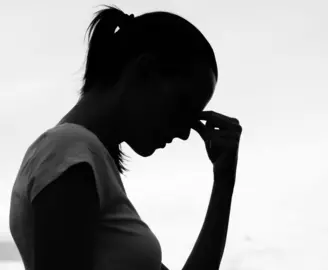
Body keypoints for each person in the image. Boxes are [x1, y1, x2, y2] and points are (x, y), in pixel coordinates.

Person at [9, 5, 242, 270]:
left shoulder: (83, 158)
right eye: (183, 106)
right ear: (144, 72)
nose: (185, 132)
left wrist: (224, 181)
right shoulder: (68, 151)